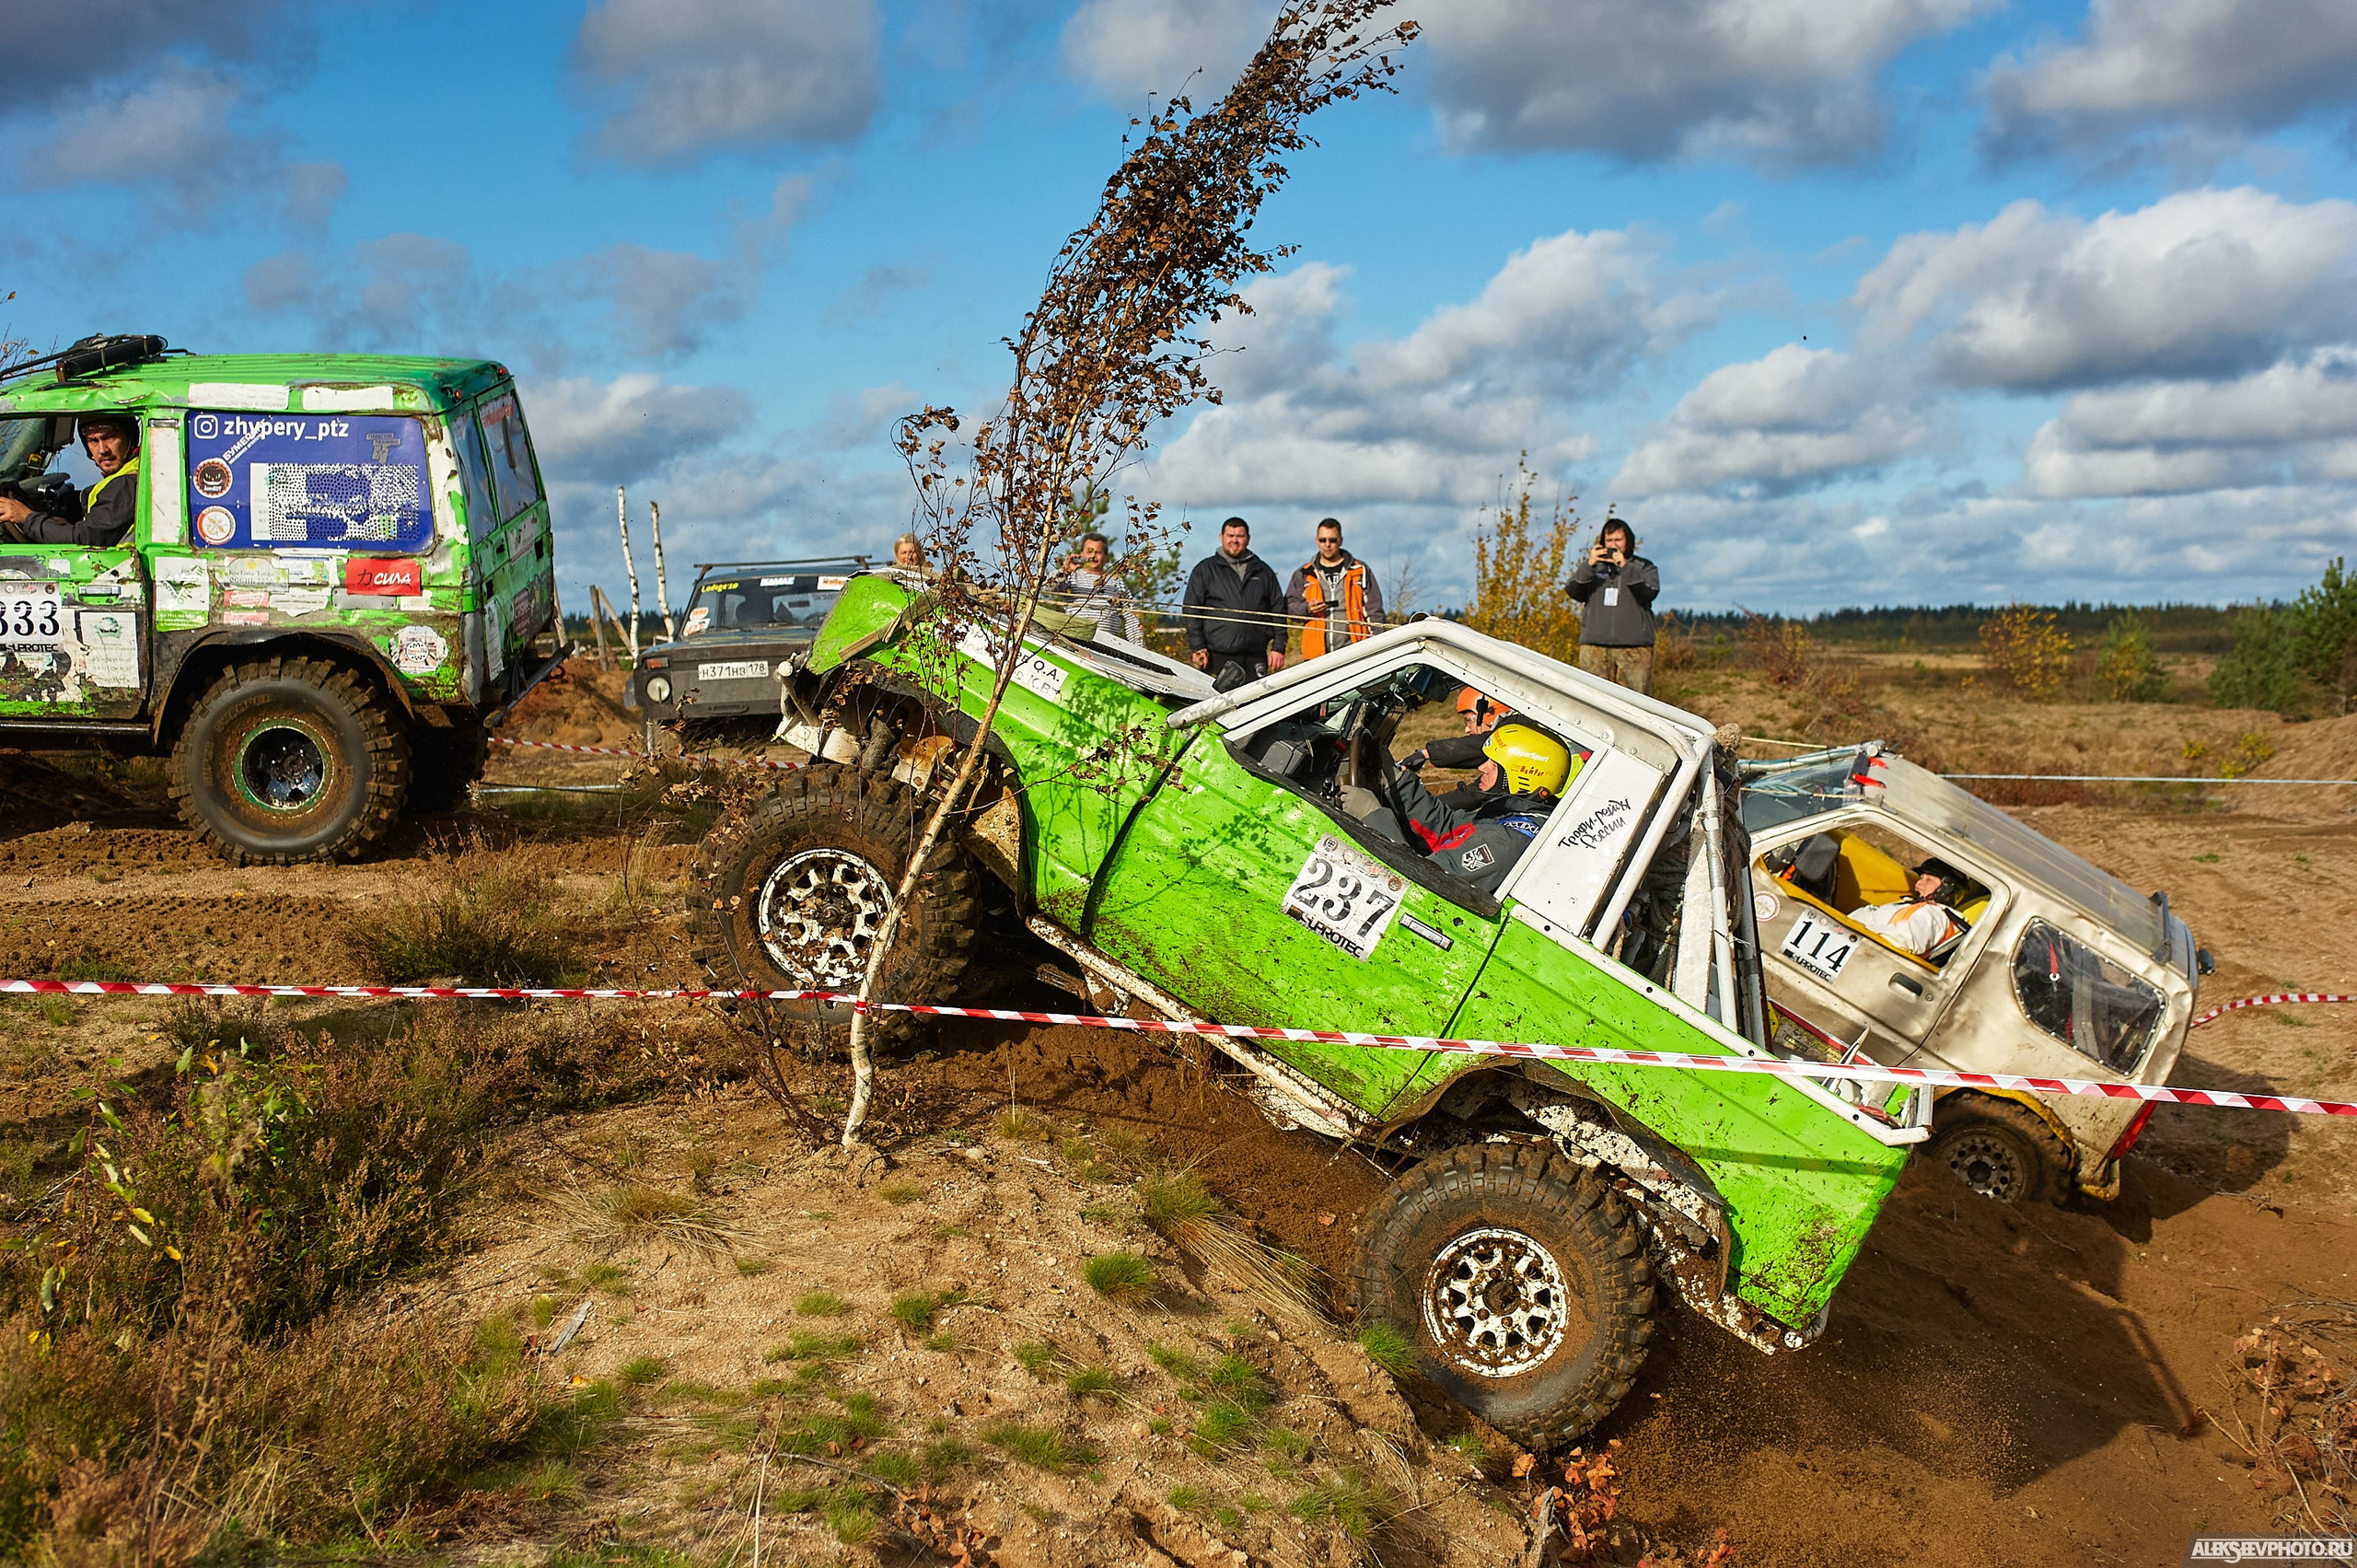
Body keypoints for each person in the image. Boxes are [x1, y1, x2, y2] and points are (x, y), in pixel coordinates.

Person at [1367, 723, 1585, 897]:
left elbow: (1419, 879)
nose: (1482, 767)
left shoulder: (1508, 839)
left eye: (1494, 764)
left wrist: (1371, 815)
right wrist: (1398, 782)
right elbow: (1448, 829)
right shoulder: (1511, 811)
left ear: (1524, 774)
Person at [0, 413, 140, 547]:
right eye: (93, 441)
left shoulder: (127, 483)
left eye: (110, 437)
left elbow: (82, 540)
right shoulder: (128, 474)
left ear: (130, 436)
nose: (102, 450)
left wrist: (26, 518)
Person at [1182, 517, 1285, 682]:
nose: (1234, 540)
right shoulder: (1205, 570)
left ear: (1248, 539)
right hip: (1217, 655)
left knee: (1257, 703)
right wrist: (1197, 646)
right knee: (1221, 704)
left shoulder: (1263, 571)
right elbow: (1191, 610)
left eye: (1240, 536)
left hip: (1255, 655)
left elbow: (1278, 610)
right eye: (1230, 535)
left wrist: (1278, 647)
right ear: (1221, 537)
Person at [1566, 517, 1659, 694]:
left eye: (1618, 540)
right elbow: (1573, 591)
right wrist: (1589, 565)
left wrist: (1625, 567)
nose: (1613, 544)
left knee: (1635, 704)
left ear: (1628, 541)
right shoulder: (1594, 568)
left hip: (1634, 650)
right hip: (1594, 648)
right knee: (1593, 700)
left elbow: (1649, 593)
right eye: (1609, 540)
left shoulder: (1644, 567)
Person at [1285, 517, 1384, 660]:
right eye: (1322, 540)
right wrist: (1307, 609)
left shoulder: (1359, 570)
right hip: (1316, 658)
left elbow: (1375, 613)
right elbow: (1289, 609)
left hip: (1355, 653)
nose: (1327, 545)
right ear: (1316, 541)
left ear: (1341, 541)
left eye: (1332, 540)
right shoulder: (1304, 574)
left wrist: (1379, 647)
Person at [1401, 686, 1512, 809]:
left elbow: (1480, 745)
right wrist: (1427, 808)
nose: (1467, 729)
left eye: (1469, 721)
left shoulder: (1512, 736)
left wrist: (1425, 754)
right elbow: (1474, 795)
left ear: (1489, 715)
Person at [1848, 863, 1969, 957]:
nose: (1919, 883)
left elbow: (1904, 940)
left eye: (1929, 880)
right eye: (1921, 878)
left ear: (1946, 891)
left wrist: (1862, 928)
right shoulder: (1912, 905)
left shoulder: (1935, 915)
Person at [1050, 531, 1142, 642]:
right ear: (1082, 554)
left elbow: (1131, 618)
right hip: (1074, 641)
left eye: (1098, 552)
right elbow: (1048, 588)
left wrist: (1140, 650)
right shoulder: (1072, 577)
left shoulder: (1116, 581)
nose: (1093, 556)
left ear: (1106, 556)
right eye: (1089, 552)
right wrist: (1065, 571)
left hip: (1107, 645)